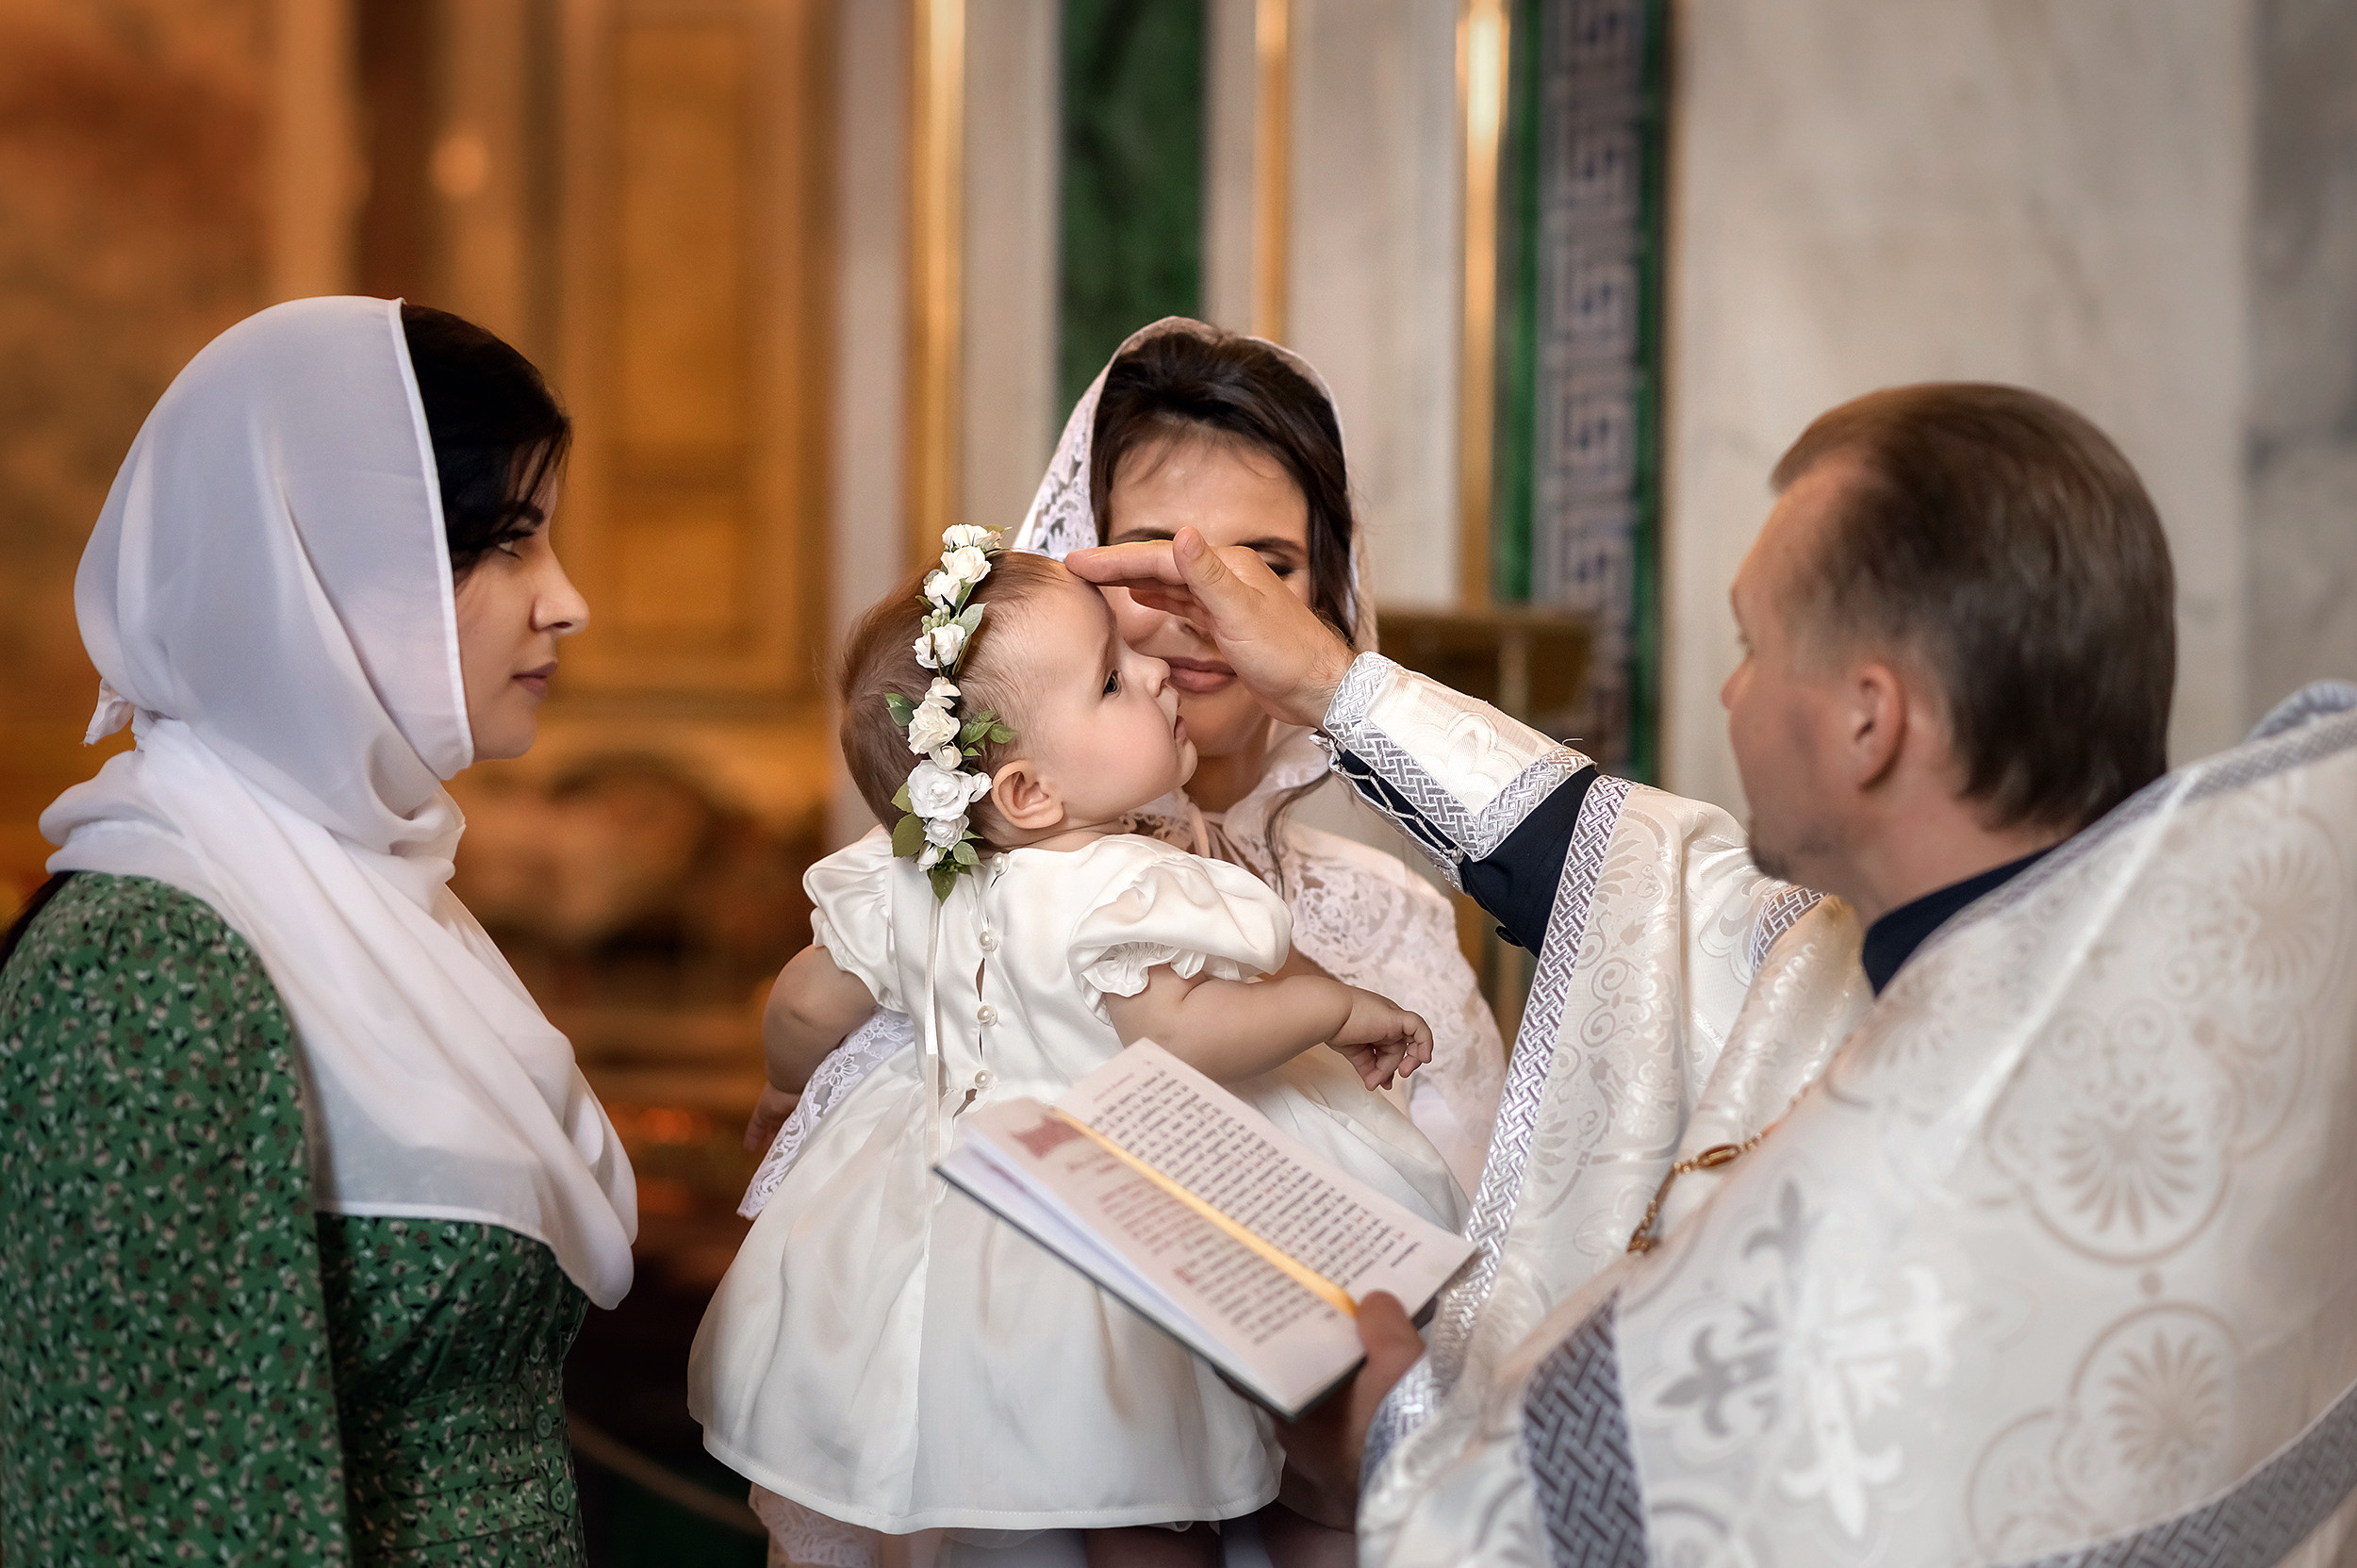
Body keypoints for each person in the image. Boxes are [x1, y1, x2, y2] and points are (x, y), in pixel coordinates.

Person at [1073, 384, 2357, 1563]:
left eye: (1749, 644)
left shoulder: (1869, 1205)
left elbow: (1530, 1530)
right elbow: (1639, 879)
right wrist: (1333, 684)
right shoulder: (2260, 983)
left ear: (1871, 718)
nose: (1727, 696)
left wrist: (1386, 1429)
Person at [0, 298, 635, 1562]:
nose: (565, 600)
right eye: (507, 542)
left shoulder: (377, 887)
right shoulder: (146, 962)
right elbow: (151, 1518)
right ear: (329, 563)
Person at [687, 536, 1463, 1567]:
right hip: (1116, 1221)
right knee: (1155, 1494)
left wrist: (789, 1088)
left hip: (964, 1219)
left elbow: (800, 1000)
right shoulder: (1121, 884)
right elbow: (1180, 1035)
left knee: (1047, 1480)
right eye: (1110, 677)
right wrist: (1327, 1006)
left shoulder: (906, 880)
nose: (1152, 667)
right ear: (1024, 793)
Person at [747, 320, 1506, 1211]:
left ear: (1326, 603)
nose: (1208, 605)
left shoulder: (1394, 919)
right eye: (1155, 553)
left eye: (1267, 564)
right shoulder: (951, 866)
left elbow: (1477, 1254)